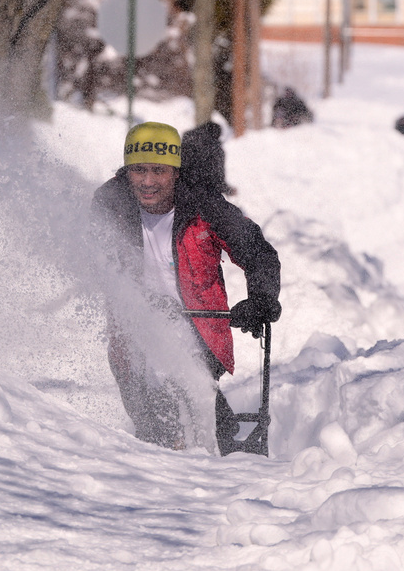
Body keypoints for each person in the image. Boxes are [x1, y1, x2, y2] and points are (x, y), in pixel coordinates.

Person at [91, 121, 282, 455]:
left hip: (200, 326)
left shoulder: (204, 206)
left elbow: (256, 251)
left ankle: (218, 453)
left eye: (158, 171)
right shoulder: (110, 204)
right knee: (154, 419)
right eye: (138, 171)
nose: (147, 182)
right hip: (135, 330)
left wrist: (261, 298)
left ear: (176, 172)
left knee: (192, 388)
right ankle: (166, 463)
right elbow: (91, 258)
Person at [181, 121, 235, 196]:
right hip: (203, 194)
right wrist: (227, 190)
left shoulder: (187, 139)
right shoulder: (215, 150)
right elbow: (217, 179)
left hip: (180, 189)